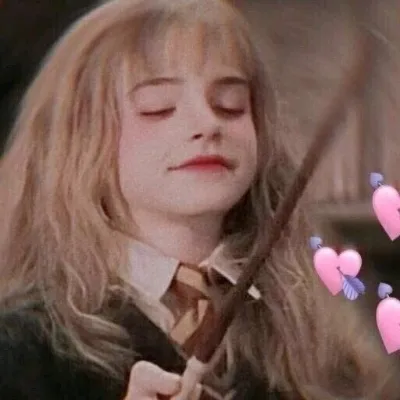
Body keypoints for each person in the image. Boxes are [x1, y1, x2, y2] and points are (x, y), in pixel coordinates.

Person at [0, 0, 399, 399]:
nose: (208, 124)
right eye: (158, 108)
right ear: (79, 140)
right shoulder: (22, 349)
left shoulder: (325, 337)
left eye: (230, 105)